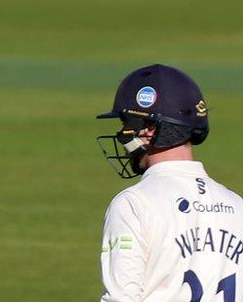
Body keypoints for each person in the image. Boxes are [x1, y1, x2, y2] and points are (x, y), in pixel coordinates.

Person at [96, 64, 243, 301]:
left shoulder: (134, 204)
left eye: (126, 124)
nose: (122, 136)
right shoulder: (237, 206)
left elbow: (121, 298)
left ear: (150, 129)